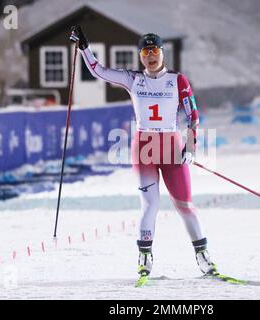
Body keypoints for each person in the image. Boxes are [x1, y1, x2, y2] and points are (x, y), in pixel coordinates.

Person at [70, 25, 217, 277]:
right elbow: (98, 71)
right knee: (150, 205)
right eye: (146, 52)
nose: (151, 56)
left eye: (155, 51)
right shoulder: (133, 79)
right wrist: (85, 48)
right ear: (141, 56)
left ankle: (203, 256)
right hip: (144, 148)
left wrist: (191, 147)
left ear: (162, 53)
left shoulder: (177, 80)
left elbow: (192, 115)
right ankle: (145, 256)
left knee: (184, 205)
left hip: (172, 147)